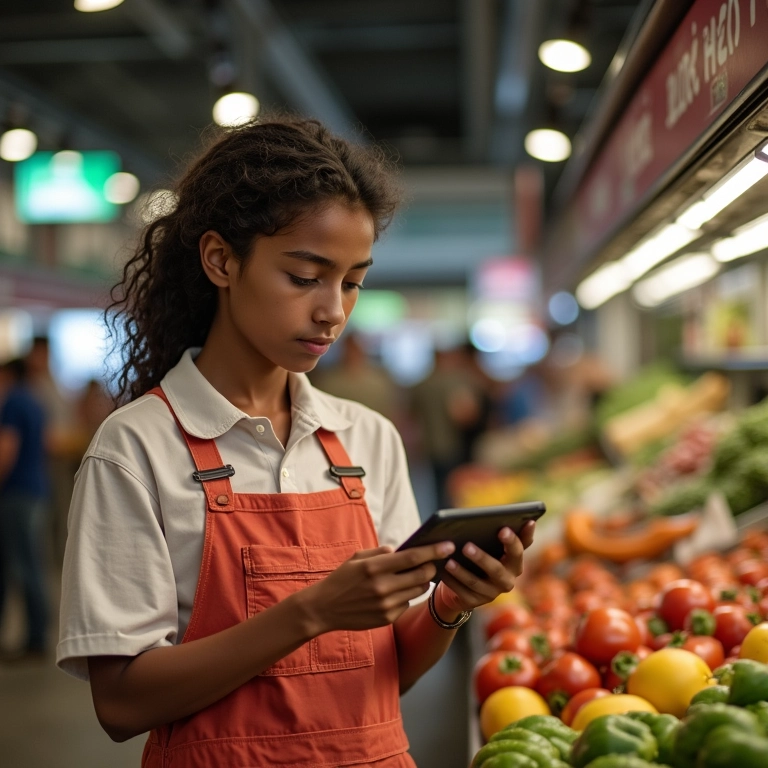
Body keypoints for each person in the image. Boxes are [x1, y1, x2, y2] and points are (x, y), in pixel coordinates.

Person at [57, 116, 534, 767]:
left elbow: (386, 673)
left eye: (352, 281)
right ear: (221, 260)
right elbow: (121, 704)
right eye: (306, 276)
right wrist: (310, 612)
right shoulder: (137, 447)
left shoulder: (366, 439)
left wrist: (450, 605)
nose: (333, 310)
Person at [0, 357, 50, 661]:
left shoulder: (12, 403)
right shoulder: (35, 402)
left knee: (20, 565)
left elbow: (7, 448)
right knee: (32, 563)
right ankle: (37, 635)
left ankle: (35, 638)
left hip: (16, 492)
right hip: (36, 490)